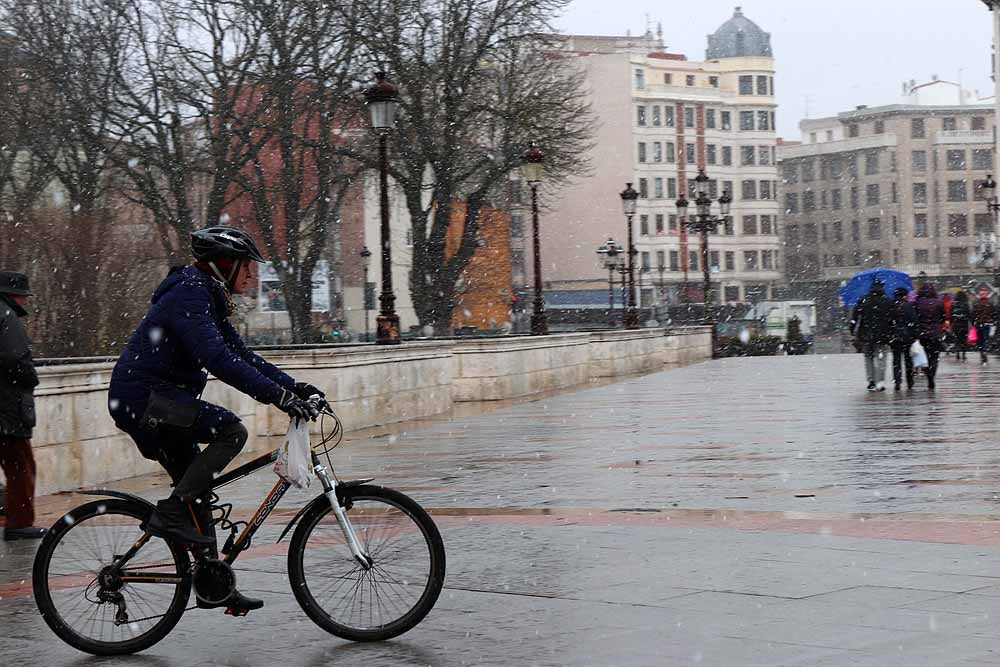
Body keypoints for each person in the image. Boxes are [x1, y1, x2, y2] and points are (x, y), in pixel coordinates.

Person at [108, 226, 324, 614]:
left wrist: (296, 387)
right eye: (248, 267)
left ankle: (214, 585)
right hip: (144, 401)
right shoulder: (190, 292)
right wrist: (278, 397)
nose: (254, 276)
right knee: (231, 431)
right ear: (225, 264)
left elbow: (242, 355)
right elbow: (219, 360)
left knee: (196, 490)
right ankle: (172, 513)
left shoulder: (207, 294)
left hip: (157, 401)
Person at [0, 271, 46, 540]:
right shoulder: (7, 318)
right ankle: (19, 522)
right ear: (13, 295)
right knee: (20, 466)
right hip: (8, 408)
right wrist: (31, 377)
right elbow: (17, 359)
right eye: (24, 296)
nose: (26, 302)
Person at [850, 279, 893, 391]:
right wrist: (892, 332)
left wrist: (852, 329)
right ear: (882, 287)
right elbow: (892, 318)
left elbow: (855, 316)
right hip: (883, 334)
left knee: (868, 357)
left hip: (866, 334)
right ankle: (880, 382)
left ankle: (871, 381)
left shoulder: (863, 300)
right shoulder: (887, 300)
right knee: (881, 358)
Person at [915, 279, 946, 390]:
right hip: (935, 334)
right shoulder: (938, 302)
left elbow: (915, 318)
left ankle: (929, 375)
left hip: (923, 334)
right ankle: (932, 376)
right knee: (934, 357)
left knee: (925, 357)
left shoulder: (917, 302)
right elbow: (943, 317)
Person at [890, 287, 918, 391]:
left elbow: (888, 321)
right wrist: (915, 335)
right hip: (907, 337)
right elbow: (914, 321)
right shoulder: (908, 306)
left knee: (896, 360)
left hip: (895, 337)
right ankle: (910, 380)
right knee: (908, 360)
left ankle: (897, 381)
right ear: (904, 295)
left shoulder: (891, 306)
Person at [972, 288, 996, 365]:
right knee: (985, 339)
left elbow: (973, 314)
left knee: (980, 340)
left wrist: (973, 323)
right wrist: (992, 321)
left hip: (978, 324)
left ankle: (982, 353)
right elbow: (994, 314)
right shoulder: (990, 303)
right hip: (987, 324)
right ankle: (984, 351)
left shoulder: (976, 303)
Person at [950, 290, 971, 361]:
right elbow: (969, 314)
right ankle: (964, 354)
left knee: (957, 339)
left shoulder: (953, 304)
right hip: (964, 324)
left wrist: (951, 323)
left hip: (956, 324)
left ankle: (957, 353)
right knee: (964, 340)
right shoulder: (966, 304)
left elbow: (951, 314)